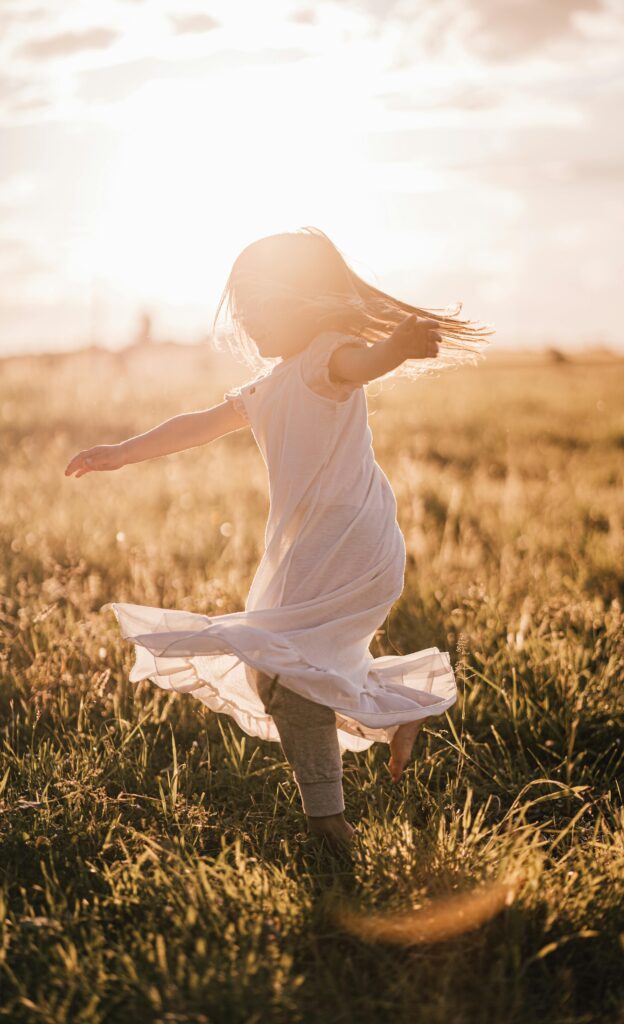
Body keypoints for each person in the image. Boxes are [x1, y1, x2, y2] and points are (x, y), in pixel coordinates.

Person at [64, 227, 493, 849]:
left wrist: (396, 347)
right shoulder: (271, 383)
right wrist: (122, 453)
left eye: (261, 307)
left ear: (306, 299)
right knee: (291, 669)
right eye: (243, 312)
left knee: (286, 674)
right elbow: (200, 425)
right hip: (321, 545)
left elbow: (361, 364)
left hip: (346, 542)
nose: (250, 323)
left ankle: (328, 824)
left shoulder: (327, 356)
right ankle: (404, 708)